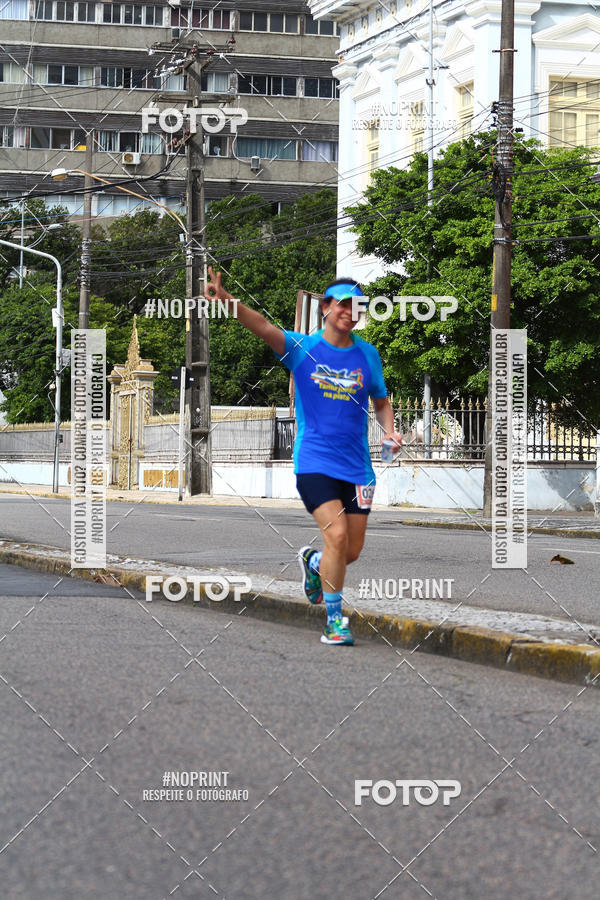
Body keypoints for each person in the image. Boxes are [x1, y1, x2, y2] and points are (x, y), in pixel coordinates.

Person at [204, 268, 402, 646]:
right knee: (338, 535)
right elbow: (262, 326)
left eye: (357, 306)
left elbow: (381, 401)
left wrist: (389, 429)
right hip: (314, 462)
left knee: (351, 551)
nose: (350, 311)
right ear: (325, 308)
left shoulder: (368, 355)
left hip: (358, 467)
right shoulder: (303, 349)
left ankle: (313, 564)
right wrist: (228, 301)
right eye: (343, 304)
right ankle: (334, 620)